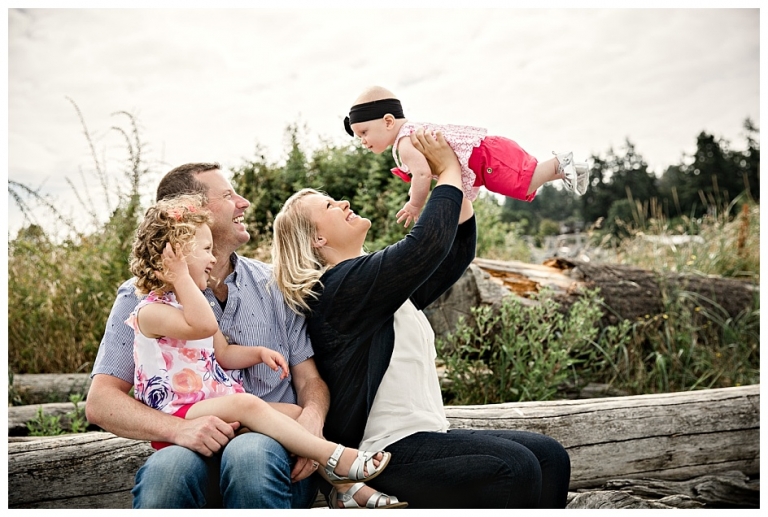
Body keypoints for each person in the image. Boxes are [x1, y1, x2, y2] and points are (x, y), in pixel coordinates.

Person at [271, 129, 572, 508]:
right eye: (330, 205)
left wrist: (461, 176)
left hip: (425, 435)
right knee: (514, 467)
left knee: (549, 456)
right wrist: (445, 172)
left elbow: (453, 253)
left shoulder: (374, 289)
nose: (344, 202)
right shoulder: (339, 288)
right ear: (317, 239)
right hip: (380, 452)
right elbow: (424, 246)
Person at [86, 163, 332, 509]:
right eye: (229, 195)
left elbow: (310, 380)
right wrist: (177, 429)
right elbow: (101, 403)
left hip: (274, 452)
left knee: (249, 455)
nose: (244, 202)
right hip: (191, 446)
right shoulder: (141, 296)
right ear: (190, 215)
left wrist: (311, 424)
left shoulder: (274, 284)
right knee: (167, 472)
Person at [124, 193, 393, 496]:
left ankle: (347, 489)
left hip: (212, 404)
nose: (213, 259)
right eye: (206, 250)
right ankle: (338, 456)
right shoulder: (151, 311)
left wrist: (259, 353)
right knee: (249, 405)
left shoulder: (193, 305)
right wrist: (183, 279)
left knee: (294, 414)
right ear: (177, 259)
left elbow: (223, 353)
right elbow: (204, 326)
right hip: (179, 411)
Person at [343, 85, 590, 227]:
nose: (362, 140)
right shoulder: (409, 134)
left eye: (364, 132)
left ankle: (559, 163)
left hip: (486, 158)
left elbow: (422, 174)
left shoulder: (405, 144)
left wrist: (415, 204)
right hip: (487, 156)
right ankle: (570, 171)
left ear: (388, 122)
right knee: (525, 183)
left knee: (523, 183)